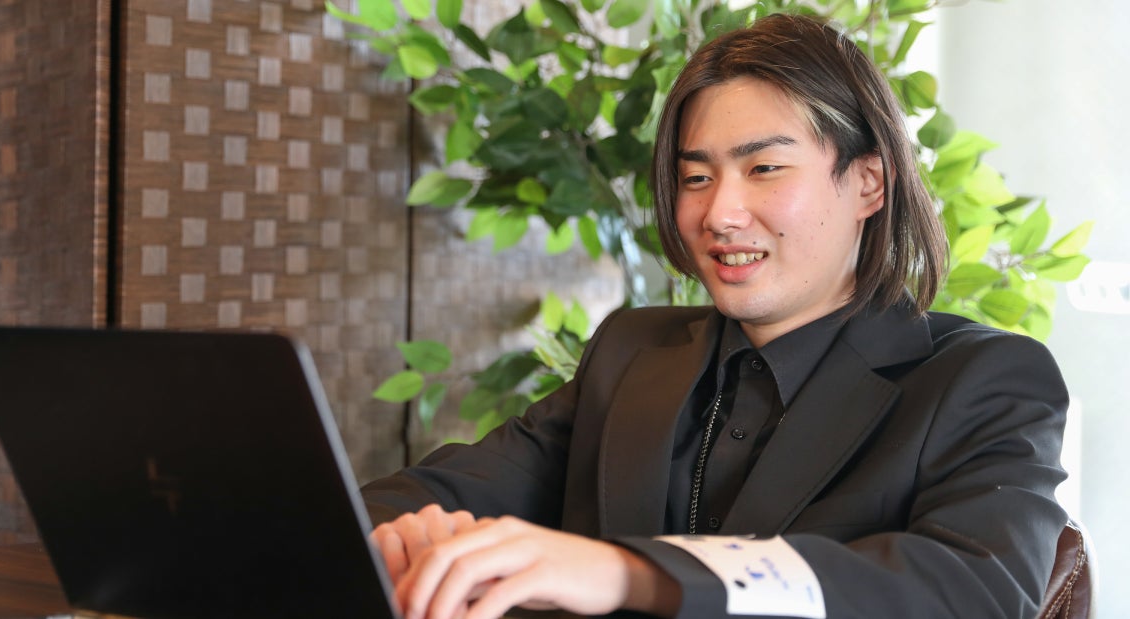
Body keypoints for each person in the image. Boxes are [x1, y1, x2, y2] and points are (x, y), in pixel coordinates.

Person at [361, 13, 1069, 619]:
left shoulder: (982, 379)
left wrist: (631, 573)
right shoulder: (631, 351)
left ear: (868, 182)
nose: (720, 213)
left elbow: (972, 589)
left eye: (764, 169)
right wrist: (401, 531)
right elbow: (442, 492)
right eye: (696, 177)